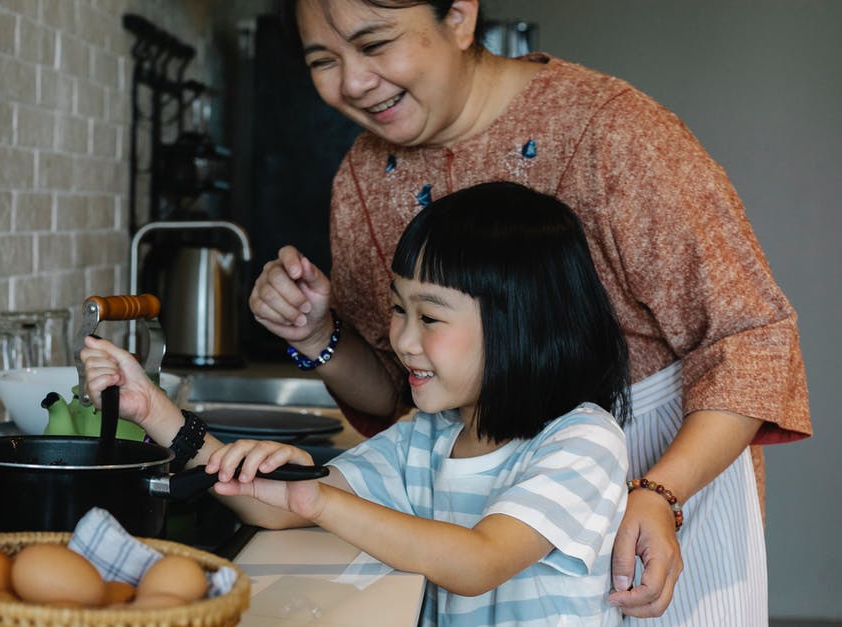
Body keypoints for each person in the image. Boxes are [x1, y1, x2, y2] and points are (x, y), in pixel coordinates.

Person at [246, 1, 812, 625]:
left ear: (459, 17)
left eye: (376, 45)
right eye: (323, 60)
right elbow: (400, 389)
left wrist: (660, 491)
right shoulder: (361, 177)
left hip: (666, 458)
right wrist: (320, 334)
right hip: (481, 483)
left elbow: (751, 339)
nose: (351, 82)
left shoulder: (611, 130)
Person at [84, 182, 634, 626]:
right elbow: (270, 505)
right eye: (399, 309)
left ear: (524, 325)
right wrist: (151, 409)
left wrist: (318, 502)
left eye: (431, 317)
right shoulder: (429, 435)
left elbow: (479, 561)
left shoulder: (583, 440)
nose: (404, 340)